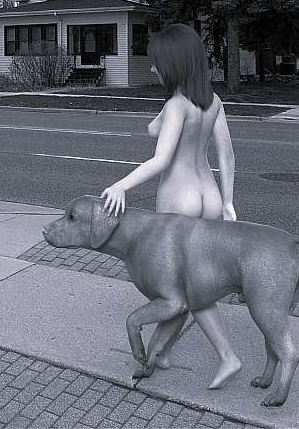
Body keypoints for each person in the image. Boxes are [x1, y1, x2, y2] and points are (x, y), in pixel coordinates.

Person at [100, 22, 240, 389]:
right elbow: (226, 155)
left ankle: (227, 356)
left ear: (174, 63)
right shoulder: (212, 102)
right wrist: (228, 202)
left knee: (180, 290)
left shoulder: (177, 106)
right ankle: (161, 352)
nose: (152, 69)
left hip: (179, 195)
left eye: (156, 62)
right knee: (191, 284)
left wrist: (121, 185)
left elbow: (161, 159)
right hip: (209, 195)